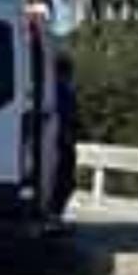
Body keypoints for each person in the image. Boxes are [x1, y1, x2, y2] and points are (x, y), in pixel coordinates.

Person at [51, 54, 79, 218]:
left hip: (58, 140)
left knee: (62, 180)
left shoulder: (50, 88)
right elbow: (70, 117)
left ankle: (55, 212)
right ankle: (56, 213)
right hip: (63, 142)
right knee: (65, 180)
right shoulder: (64, 91)